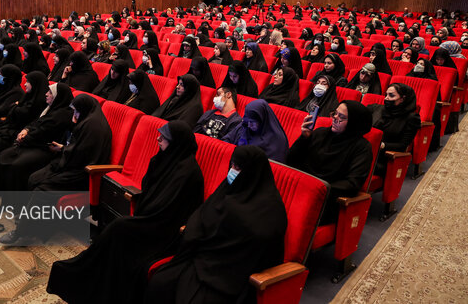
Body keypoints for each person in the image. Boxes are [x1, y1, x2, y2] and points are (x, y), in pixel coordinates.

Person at [47, 121, 204, 304]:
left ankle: (91, 282)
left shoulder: (189, 173)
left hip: (164, 231)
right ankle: (85, 278)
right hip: (147, 219)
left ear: (176, 143)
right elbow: (149, 191)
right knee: (115, 236)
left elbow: (170, 210)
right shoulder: (163, 158)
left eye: (164, 137)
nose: (158, 138)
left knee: (119, 229)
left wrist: (142, 219)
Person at [145, 145, 287, 304]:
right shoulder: (229, 188)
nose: (232, 170)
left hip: (231, 275)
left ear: (252, 172)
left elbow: (259, 247)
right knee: (160, 282)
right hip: (202, 259)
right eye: (232, 165)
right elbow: (203, 215)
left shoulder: (271, 209)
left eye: (238, 167)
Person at [0, 94, 113, 244]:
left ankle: (21, 231)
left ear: (84, 109)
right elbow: (78, 150)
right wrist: (63, 149)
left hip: (83, 173)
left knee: (43, 189)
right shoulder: (89, 120)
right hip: (72, 163)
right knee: (34, 177)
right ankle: (34, 224)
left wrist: (64, 151)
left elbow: (82, 155)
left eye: (76, 112)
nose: (74, 115)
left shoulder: (93, 126)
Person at [287, 100, 373, 223]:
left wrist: (317, 189)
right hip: (301, 188)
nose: (335, 119)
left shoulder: (362, 148)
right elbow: (290, 161)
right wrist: (304, 138)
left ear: (354, 123)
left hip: (326, 198)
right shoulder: (320, 133)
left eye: (341, 117)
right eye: (335, 114)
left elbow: (352, 184)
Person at [0, 82, 74, 189]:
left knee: (16, 165)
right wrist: (25, 130)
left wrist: (23, 138)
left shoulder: (62, 115)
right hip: (33, 141)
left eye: (50, 92)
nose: (46, 94)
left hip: (46, 148)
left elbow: (43, 133)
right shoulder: (51, 108)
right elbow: (36, 122)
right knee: (4, 154)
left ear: (58, 96)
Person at [367, 83, 421, 177]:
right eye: (386, 95)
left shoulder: (411, 118)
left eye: (391, 95)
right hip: (364, 150)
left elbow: (403, 145)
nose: (386, 98)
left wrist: (383, 145)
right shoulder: (376, 108)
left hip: (383, 158)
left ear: (402, 99)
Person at [223, 99, 289, 163]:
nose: (249, 125)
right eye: (247, 121)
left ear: (261, 119)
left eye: (252, 122)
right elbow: (226, 140)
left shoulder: (277, 140)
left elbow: (274, 166)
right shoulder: (244, 125)